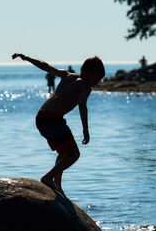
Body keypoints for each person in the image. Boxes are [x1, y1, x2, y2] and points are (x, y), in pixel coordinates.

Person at [12, 53, 105, 196]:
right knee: (74, 154)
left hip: (41, 118)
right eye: (97, 78)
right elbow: (82, 105)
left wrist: (26, 57)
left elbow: (45, 66)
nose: (97, 82)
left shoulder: (67, 75)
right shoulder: (85, 86)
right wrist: (85, 129)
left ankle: (57, 185)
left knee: (64, 152)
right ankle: (48, 178)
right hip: (53, 120)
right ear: (90, 73)